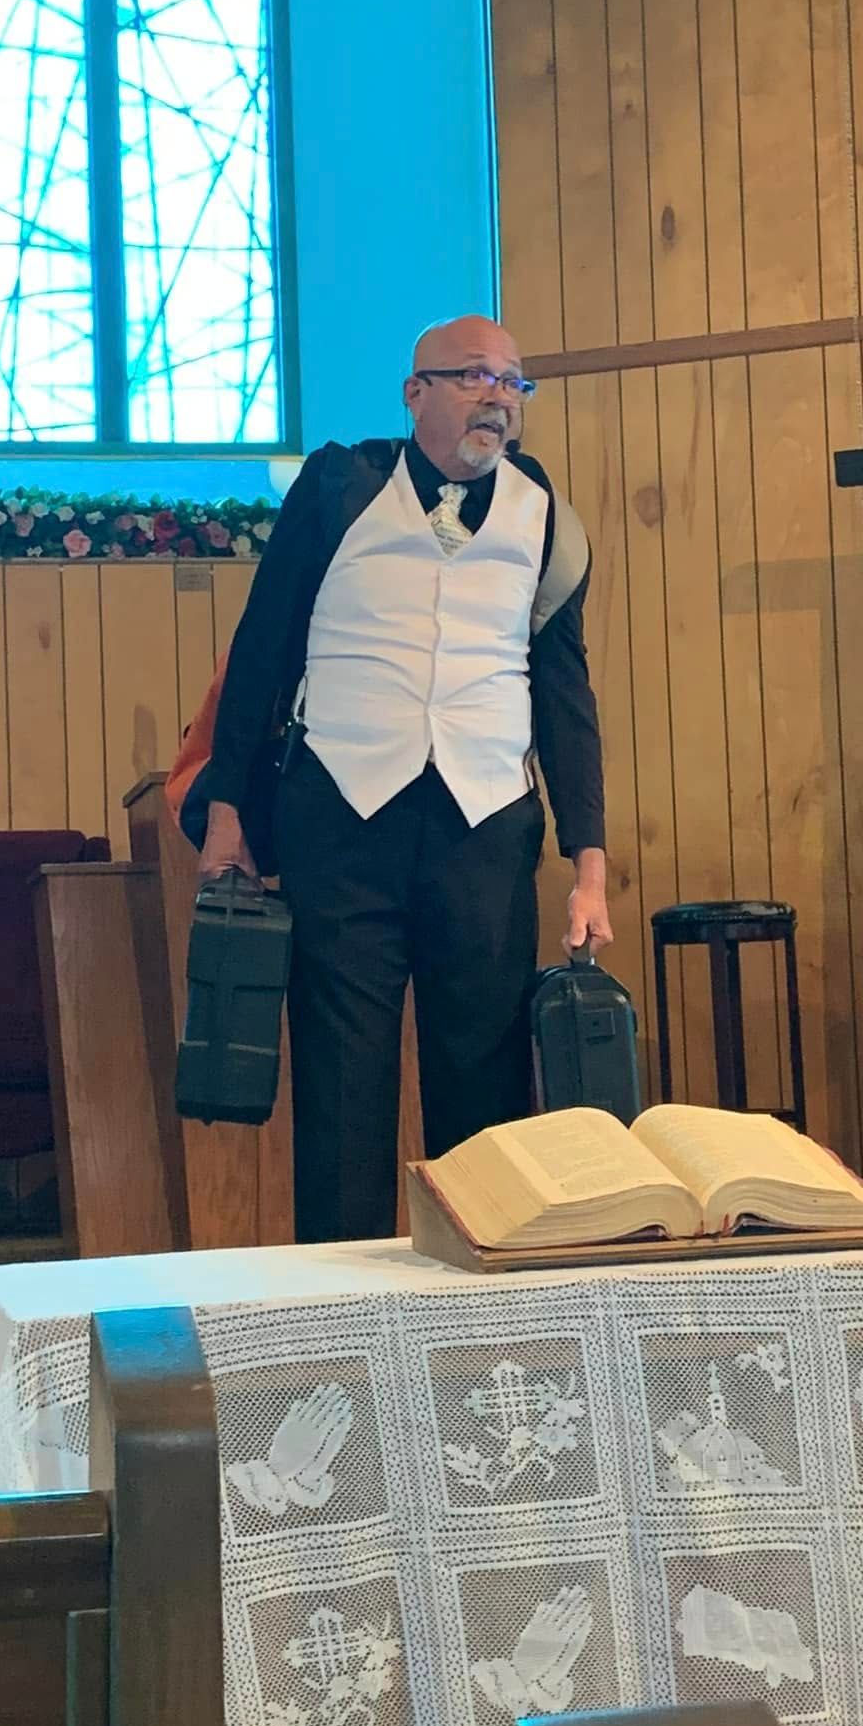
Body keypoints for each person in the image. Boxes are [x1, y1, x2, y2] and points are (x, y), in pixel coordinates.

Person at [199, 314, 611, 1242]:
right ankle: (342, 1299)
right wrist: (228, 814)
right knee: (343, 1082)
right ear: (415, 393)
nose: (498, 397)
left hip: (486, 824)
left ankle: (482, 1292)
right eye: (475, 376)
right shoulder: (339, 485)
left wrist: (588, 865)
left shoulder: (544, 513)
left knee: (485, 1079)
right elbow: (262, 650)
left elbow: (564, 692)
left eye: (513, 382)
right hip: (341, 816)